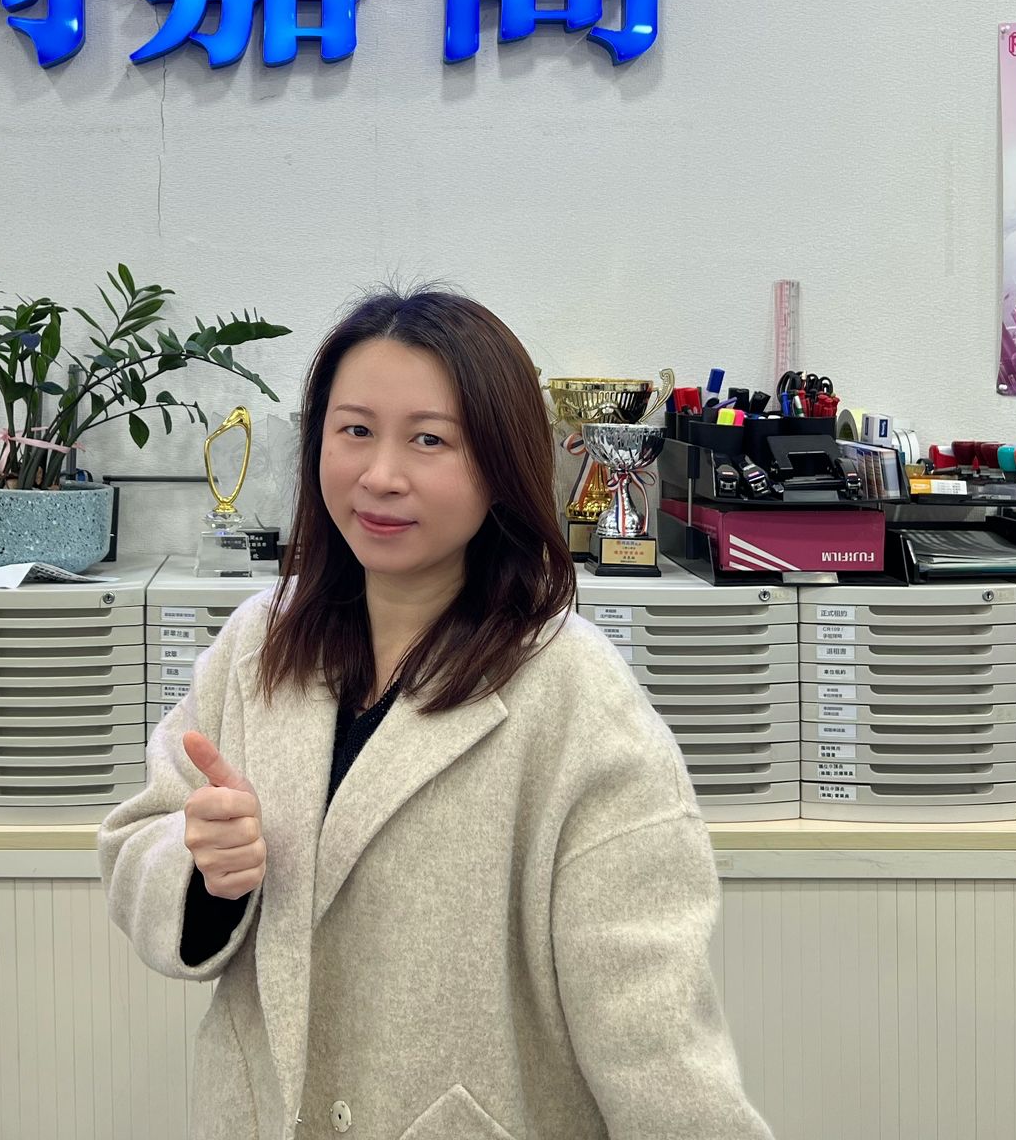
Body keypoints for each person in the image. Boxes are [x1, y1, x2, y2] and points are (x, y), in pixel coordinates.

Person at [98, 288, 771, 1140]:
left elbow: (654, 1032)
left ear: (499, 463)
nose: (381, 475)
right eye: (354, 430)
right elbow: (138, 839)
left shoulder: (575, 696)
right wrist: (207, 873)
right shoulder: (258, 645)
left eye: (429, 440)